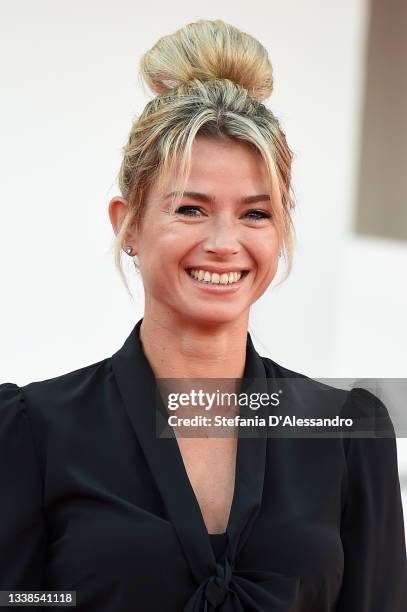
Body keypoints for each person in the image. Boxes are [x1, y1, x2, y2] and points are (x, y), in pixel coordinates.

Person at [0, 19, 406, 612]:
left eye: (255, 214)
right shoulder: (32, 431)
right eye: (191, 209)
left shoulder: (348, 432)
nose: (224, 242)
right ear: (127, 223)